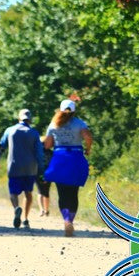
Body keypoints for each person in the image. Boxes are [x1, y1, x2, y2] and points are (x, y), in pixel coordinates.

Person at [43, 99, 93, 237]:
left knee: (62, 193)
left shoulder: (54, 123)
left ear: (60, 109)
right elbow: (88, 137)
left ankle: (66, 219)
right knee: (73, 193)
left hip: (59, 159)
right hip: (75, 158)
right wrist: (88, 149)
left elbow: (47, 144)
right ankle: (70, 219)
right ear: (74, 111)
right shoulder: (79, 123)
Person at [0, 109, 45, 229]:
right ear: (30, 120)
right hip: (30, 168)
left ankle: (16, 208)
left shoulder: (10, 130)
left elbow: (1, 147)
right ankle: (26, 219)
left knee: (13, 193)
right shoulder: (34, 133)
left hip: (14, 166)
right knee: (28, 193)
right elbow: (39, 153)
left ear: (19, 118)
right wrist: (41, 169)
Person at [36, 137, 53, 216]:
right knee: (45, 192)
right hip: (48, 173)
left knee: (40, 191)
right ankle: (45, 210)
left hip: (39, 173)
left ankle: (42, 209)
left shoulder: (37, 152)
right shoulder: (51, 153)